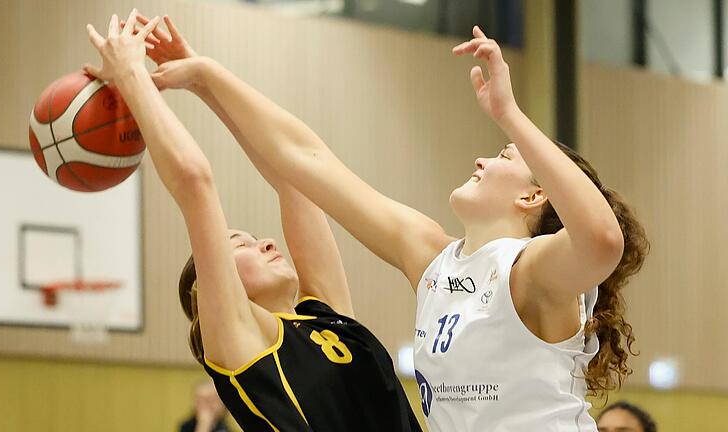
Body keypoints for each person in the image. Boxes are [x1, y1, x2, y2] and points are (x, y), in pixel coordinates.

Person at [131, 15, 650, 431]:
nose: (481, 160)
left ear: (534, 192)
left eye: (501, 156)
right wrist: (205, 73)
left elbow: (603, 240)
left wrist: (510, 113)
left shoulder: (535, 271)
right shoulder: (430, 256)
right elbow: (307, 162)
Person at [84, 10, 421, 432]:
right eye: (240, 245)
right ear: (207, 290)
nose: (265, 243)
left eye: (253, 238)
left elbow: (293, 176)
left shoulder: (326, 316)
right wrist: (131, 75)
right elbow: (194, 182)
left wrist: (204, 82)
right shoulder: (240, 342)